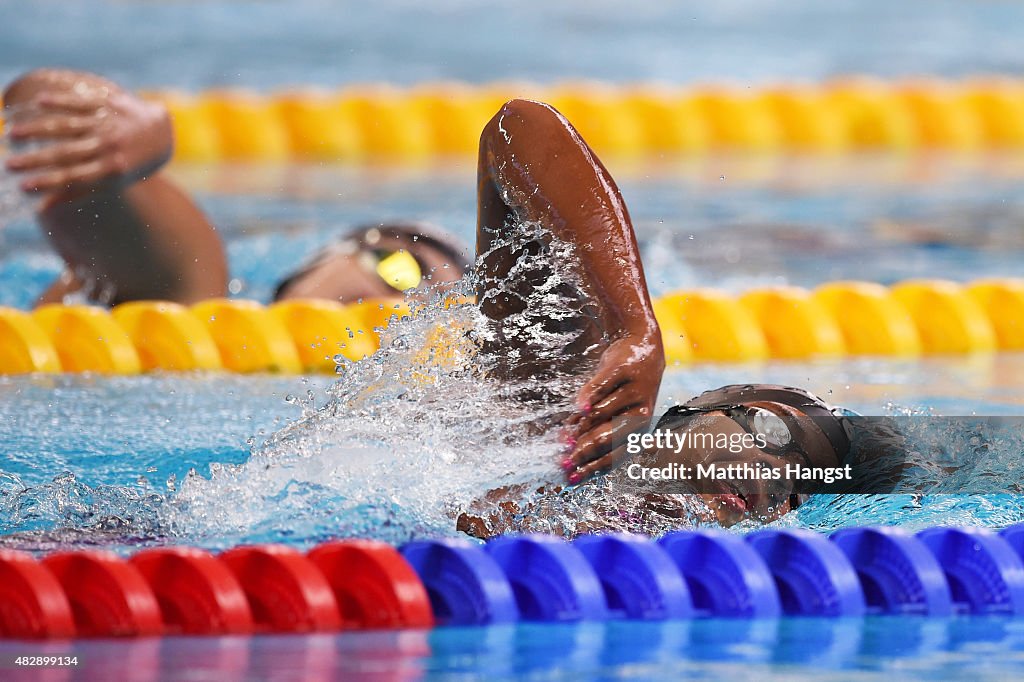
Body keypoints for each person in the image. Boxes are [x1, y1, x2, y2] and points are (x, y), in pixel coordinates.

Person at [3, 69, 875, 524]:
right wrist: (632, 326)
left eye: (795, 485)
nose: (769, 477)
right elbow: (519, 129)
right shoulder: (551, 407)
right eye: (766, 434)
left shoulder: (658, 557)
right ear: (694, 411)